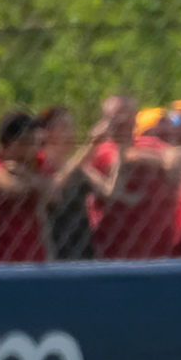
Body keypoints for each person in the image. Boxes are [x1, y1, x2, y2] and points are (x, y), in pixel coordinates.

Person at [89, 94, 176, 258]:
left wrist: (160, 159)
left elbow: (174, 160)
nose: (121, 120)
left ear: (135, 117)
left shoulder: (149, 142)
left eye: (126, 113)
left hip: (159, 243)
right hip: (116, 245)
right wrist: (156, 160)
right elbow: (120, 159)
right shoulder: (101, 150)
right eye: (115, 115)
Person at [0, 110, 49, 262]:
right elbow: (10, 188)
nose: (35, 148)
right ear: (14, 142)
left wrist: (26, 175)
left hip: (32, 256)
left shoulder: (32, 163)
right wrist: (35, 184)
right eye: (30, 141)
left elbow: (54, 194)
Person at [37, 105, 112, 260]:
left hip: (82, 248)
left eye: (71, 127)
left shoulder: (78, 167)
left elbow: (109, 192)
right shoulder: (38, 162)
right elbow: (55, 187)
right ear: (47, 133)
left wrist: (122, 150)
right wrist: (90, 144)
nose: (72, 133)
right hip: (53, 247)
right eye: (64, 127)